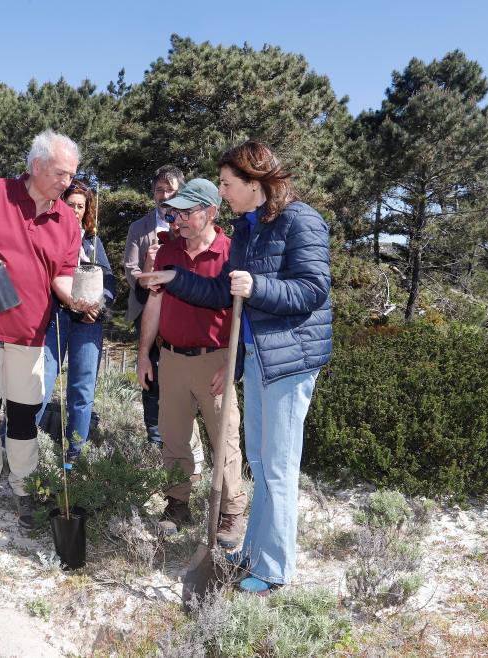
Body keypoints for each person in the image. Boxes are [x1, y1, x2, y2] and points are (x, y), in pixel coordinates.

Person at [138, 141, 332, 595]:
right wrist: (175, 278)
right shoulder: (250, 229)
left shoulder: (301, 220)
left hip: (289, 360)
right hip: (260, 357)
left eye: (227, 184)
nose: (222, 193)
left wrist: (257, 286)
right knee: (261, 462)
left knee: (277, 467)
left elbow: (313, 289)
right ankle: (255, 553)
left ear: (254, 181)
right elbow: (225, 293)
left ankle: (274, 569)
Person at [0, 130, 96, 529]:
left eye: (72, 174)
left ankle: (25, 486)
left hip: (30, 332)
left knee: (25, 414)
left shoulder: (67, 220)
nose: (68, 182)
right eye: (61, 173)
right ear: (37, 165)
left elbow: (62, 276)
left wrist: (76, 300)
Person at [136, 179, 247, 547]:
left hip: (215, 359)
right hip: (171, 358)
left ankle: (231, 511)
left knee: (224, 438)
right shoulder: (167, 253)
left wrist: (231, 364)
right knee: (173, 436)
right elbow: (153, 305)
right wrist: (144, 355)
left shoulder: (232, 253)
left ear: (211, 212)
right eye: (175, 212)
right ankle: (177, 504)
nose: (178, 219)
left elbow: (243, 315)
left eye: (186, 212)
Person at [35, 180, 115, 459]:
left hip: (88, 323)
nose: (76, 211)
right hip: (54, 318)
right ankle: (18, 445)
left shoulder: (93, 243)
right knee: (39, 384)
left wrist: (99, 306)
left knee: (82, 389)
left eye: (81, 206)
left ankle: (75, 453)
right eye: (71, 205)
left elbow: (108, 280)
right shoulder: (47, 233)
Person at [122, 166, 185, 446]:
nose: (164, 195)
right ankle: (155, 437)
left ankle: (180, 436)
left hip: (181, 309)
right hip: (147, 308)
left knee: (179, 372)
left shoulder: (187, 223)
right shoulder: (139, 227)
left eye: (170, 190)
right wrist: (149, 268)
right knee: (151, 373)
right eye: (159, 190)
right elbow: (130, 272)